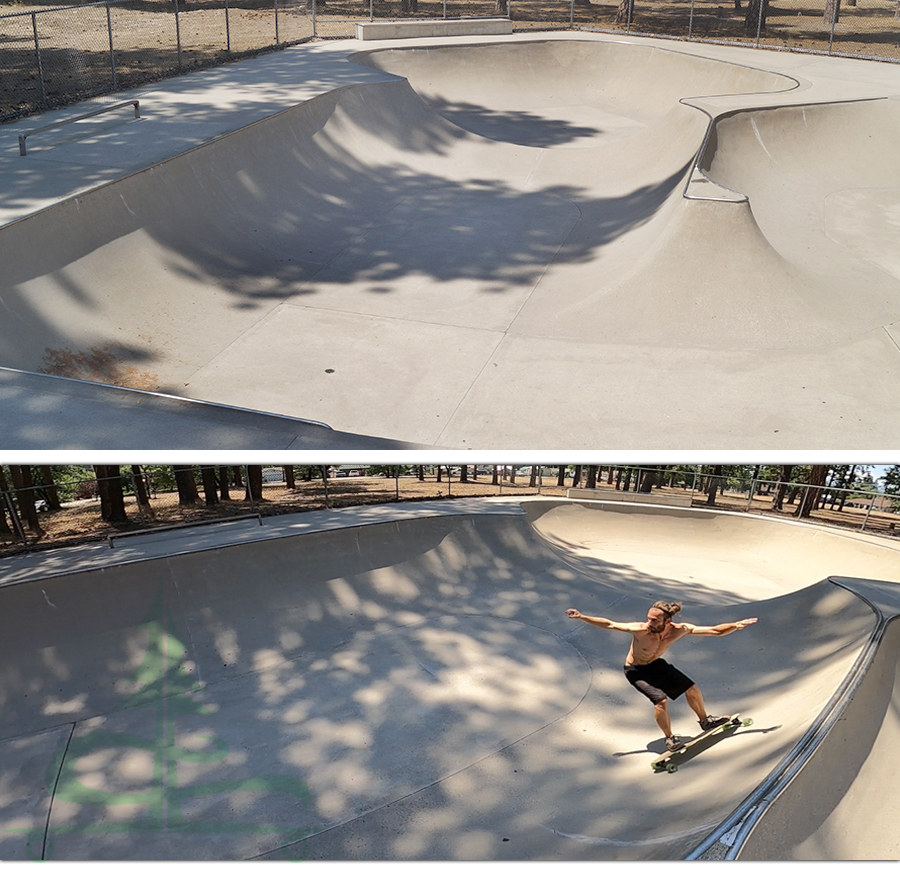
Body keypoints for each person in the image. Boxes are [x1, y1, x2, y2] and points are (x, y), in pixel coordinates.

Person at [565, 600, 758, 752]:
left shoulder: (680, 629)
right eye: (649, 618)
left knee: (691, 689)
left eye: (654, 620)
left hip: (656, 666)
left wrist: (735, 625)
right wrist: (582, 616)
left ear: (667, 621)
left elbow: (715, 631)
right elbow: (610, 624)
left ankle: (705, 721)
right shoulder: (641, 629)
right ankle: (669, 739)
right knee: (661, 700)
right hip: (635, 670)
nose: (650, 623)